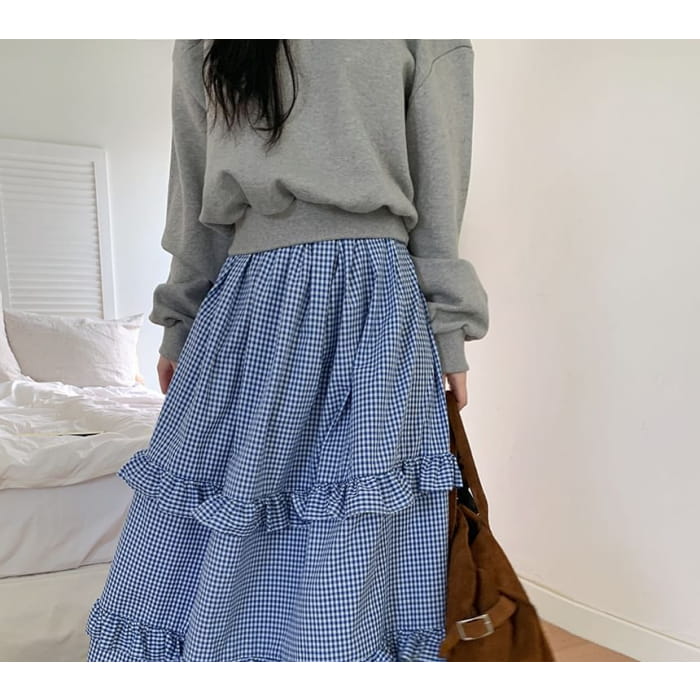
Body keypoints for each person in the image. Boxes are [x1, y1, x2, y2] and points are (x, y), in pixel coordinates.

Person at [85, 38, 489, 662]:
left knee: (351, 523)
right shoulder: (208, 35)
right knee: (231, 516)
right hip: (273, 308)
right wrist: (179, 319)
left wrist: (449, 328)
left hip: (359, 308)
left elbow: (439, 186)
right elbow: (193, 193)